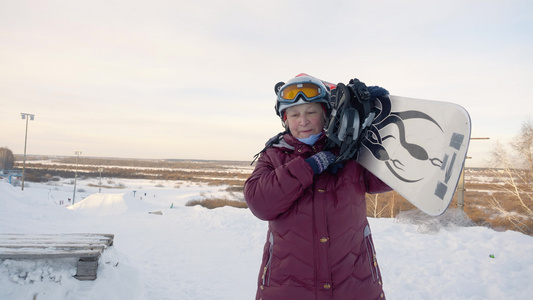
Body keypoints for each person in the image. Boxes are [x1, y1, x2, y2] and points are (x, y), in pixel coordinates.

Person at [244, 75, 392, 300]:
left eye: (310, 112)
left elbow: (387, 178)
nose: (302, 121)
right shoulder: (273, 155)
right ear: (285, 120)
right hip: (288, 289)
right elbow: (260, 204)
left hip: (354, 286)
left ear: (325, 115)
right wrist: (311, 165)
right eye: (294, 114)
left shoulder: (351, 153)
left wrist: (379, 123)